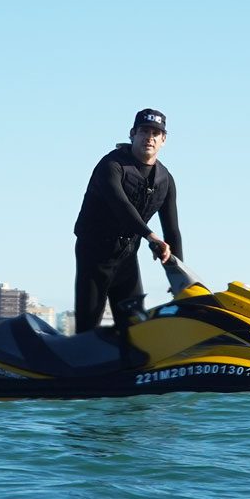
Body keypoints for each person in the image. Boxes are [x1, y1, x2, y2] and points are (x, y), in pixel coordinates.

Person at [73, 108, 183, 333]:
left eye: (155, 133)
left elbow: (172, 230)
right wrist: (151, 236)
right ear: (132, 134)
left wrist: (178, 277)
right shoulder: (111, 165)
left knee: (136, 328)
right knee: (88, 327)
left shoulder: (165, 180)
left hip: (127, 257)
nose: (149, 137)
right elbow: (121, 206)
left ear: (163, 139)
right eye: (144, 131)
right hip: (95, 254)